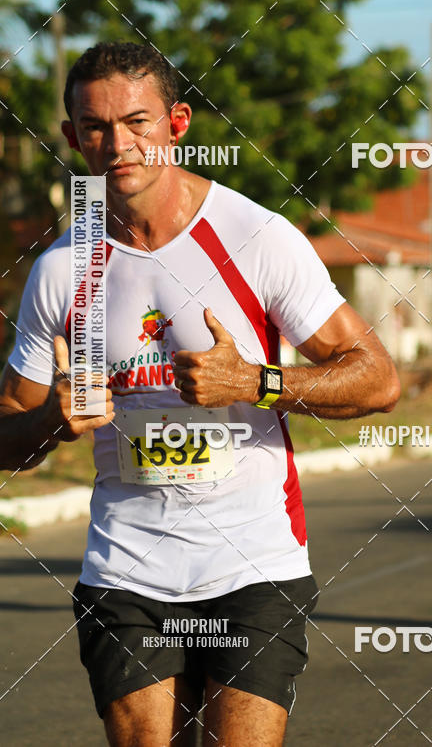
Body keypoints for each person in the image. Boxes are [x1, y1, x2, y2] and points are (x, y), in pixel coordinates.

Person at [0, 42, 400, 747]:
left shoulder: (257, 239)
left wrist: (255, 381)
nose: (117, 144)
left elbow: (377, 376)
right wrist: (50, 421)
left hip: (254, 564)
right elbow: (5, 434)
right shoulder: (62, 269)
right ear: (70, 137)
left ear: (177, 123)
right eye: (94, 127)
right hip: (125, 571)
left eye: (137, 121)